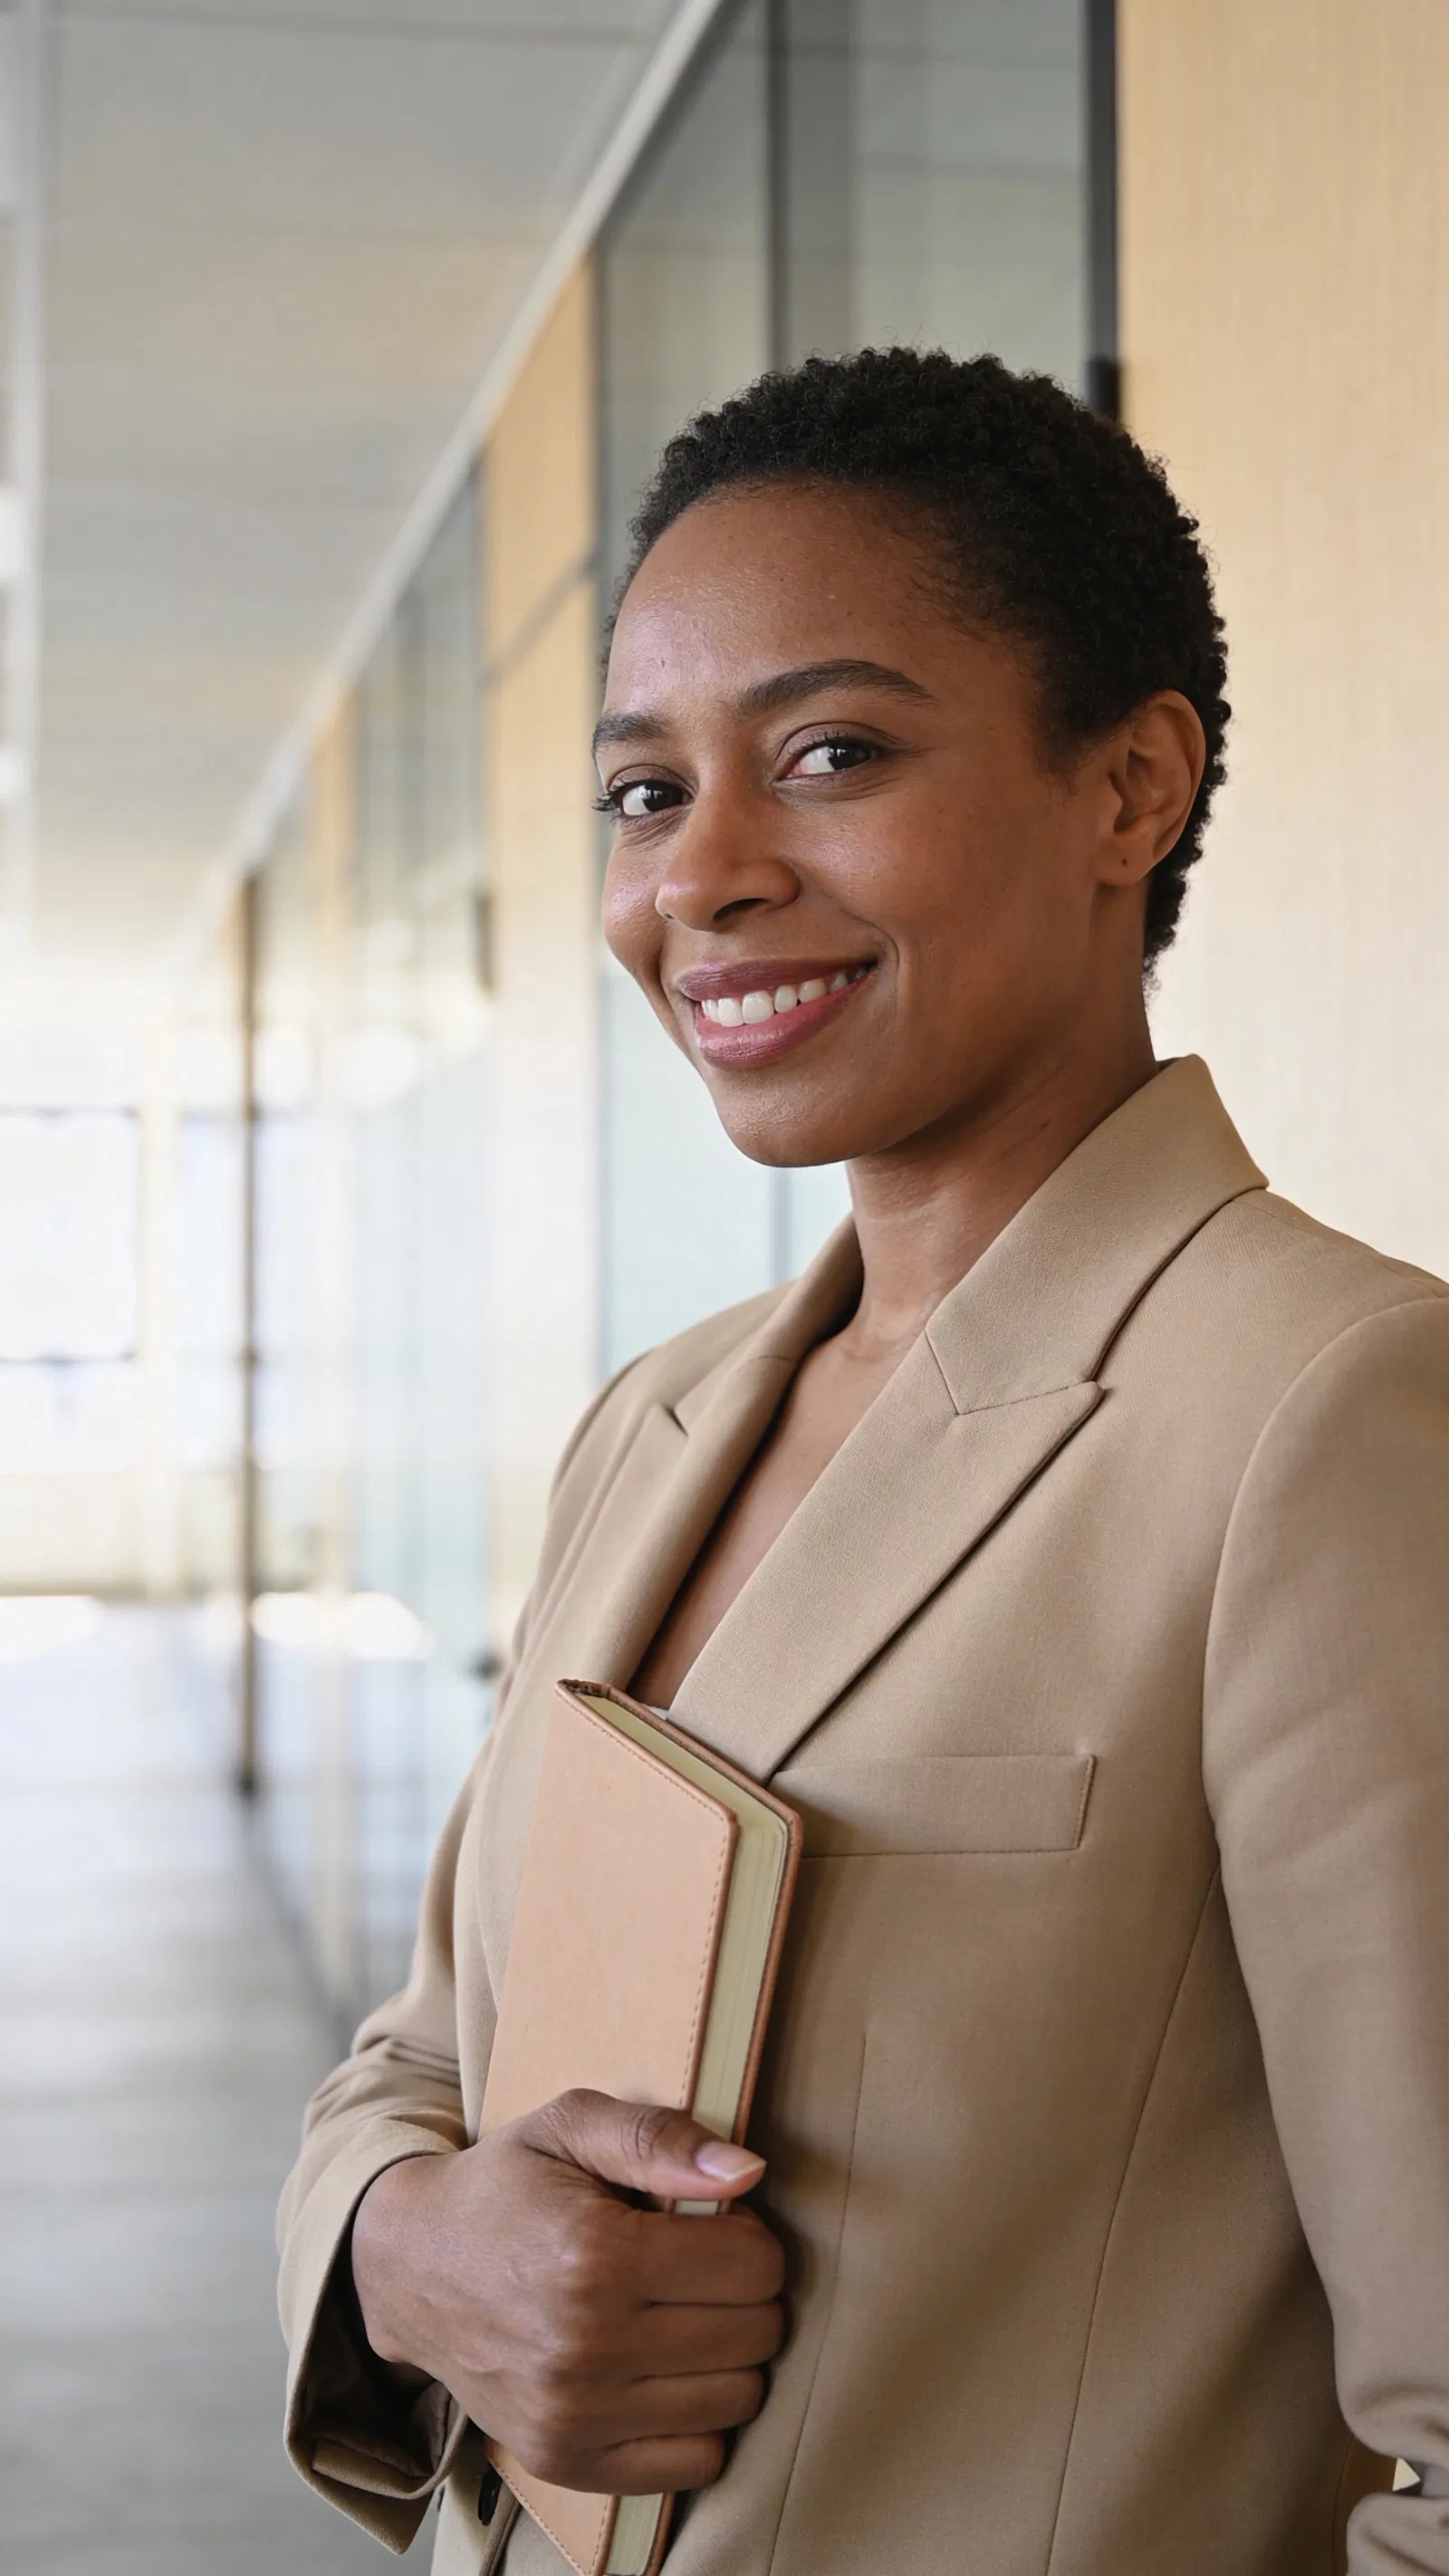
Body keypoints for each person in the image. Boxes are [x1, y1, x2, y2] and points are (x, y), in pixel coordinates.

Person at [277, 349, 1449, 2576]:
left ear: (1127, 790)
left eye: (829, 755)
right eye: (642, 790)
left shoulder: (1333, 1419)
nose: (702, 876)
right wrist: (406, 2254)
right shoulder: (657, 1420)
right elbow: (417, 2063)